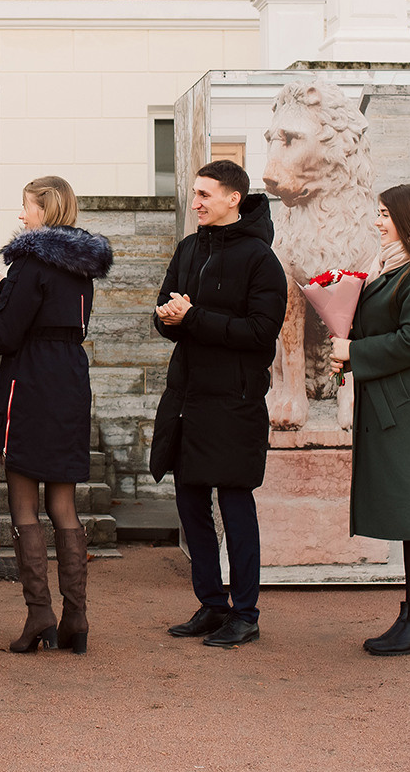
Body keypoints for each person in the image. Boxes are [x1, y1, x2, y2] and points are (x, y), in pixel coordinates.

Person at [0, 176, 112, 655]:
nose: (21, 216)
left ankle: (40, 616)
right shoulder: (82, 266)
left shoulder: (29, 261)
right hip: (70, 377)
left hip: (30, 380)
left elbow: (7, 335)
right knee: (63, 504)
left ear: (44, 210)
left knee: (23, 502)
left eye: (25, 207)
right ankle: (78, 618)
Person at [150, 160, 286, 649]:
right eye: (194, 193)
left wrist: (194, 317)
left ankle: (245, 614)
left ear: (234, 198)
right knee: (190, 502)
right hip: (187, 397)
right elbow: (167, 313)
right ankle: (212, 604)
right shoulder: (189, 248)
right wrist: (167, 318)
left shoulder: (260, 259)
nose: (197, 202)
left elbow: (260, 333)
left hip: (234, 401)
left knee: (233, 503)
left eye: (206, 194)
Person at [327, 182, 410, 657]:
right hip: (397, 401)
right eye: (378, 212)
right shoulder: (397, 269)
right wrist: (346, 354)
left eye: (385, 213)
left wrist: (354, 351)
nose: (377, 221)